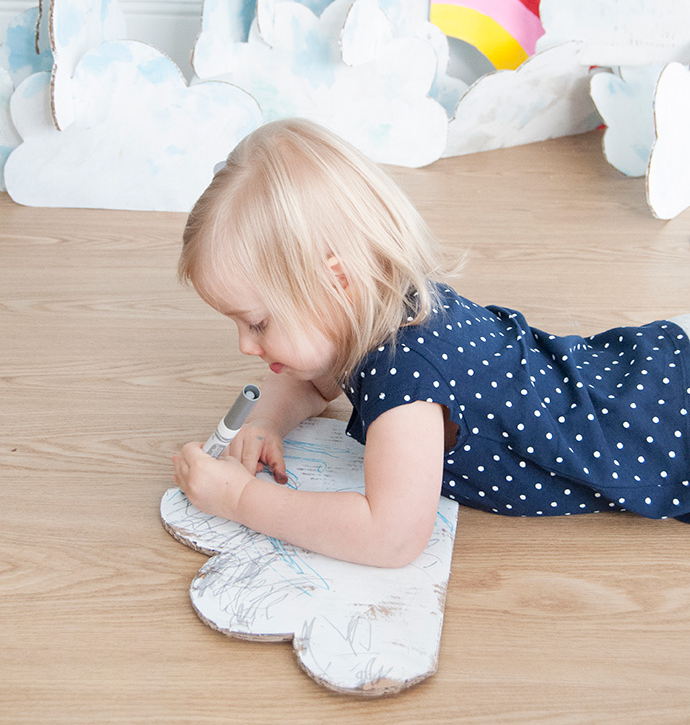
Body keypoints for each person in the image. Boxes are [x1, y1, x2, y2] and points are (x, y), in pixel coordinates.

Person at [172, 118, 690, 567]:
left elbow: (391, 536)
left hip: (664, 429)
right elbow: (312, 381)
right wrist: (266, 421)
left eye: (258, 324)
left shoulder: (405, 379)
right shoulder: (373, 308)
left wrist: (240, 500)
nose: (246, 345)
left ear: (336, 281)